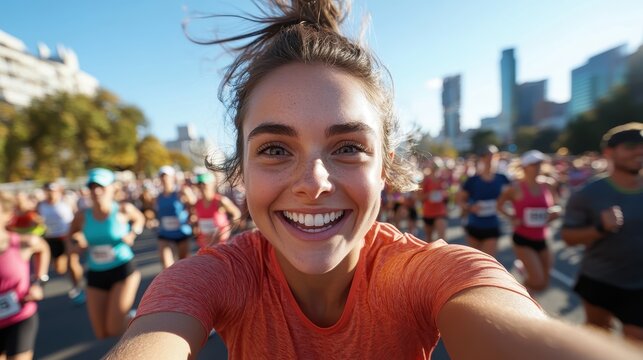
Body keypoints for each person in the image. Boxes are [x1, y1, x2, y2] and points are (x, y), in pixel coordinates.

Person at [106, 2, 643, 358]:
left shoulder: (435, 273)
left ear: (384, 168)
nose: (313, 181)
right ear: (239, 172)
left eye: (347, 148)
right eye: (274, 149)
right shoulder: (206, 278)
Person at [561, 122, 643, 341]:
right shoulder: (588, 194)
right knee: (598, 335)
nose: (639, 151)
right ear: (609, 152)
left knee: (636, 338)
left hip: (639, 282)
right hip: (599, 278)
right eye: (630, 146)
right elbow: (568, 237)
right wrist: (600, 228)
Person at [68, 168, 145, 339]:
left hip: (123, 270)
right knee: (101, 333)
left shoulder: (123, 209)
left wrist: (133, 233)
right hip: (95, 273)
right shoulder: (82, 216)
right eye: (92, 186)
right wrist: (76, 243)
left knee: (114, 328)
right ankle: (130, 317)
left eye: (101, 186)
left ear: (112, 188)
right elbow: (71, 236)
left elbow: (140, 219)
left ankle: (142, 322)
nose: (96, 191)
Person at [497, 150, 561, 293]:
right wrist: (512, 217)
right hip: (523, 238)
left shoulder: (548, 184)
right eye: (533, 164)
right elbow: (499, 205)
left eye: (539, 163)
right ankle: (520, 302)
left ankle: (528, 301)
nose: (537, 167)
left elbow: (557, 205)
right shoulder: (515, 188)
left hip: (543, 237)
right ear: (524, 167)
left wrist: (555, 212)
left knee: (544, 282)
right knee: (536, 279)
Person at [0, 191, 51, 360]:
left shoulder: (23, 243)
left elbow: (43, 249)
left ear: (8, 215)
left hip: (19, 317)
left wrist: (39, 282)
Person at [456, 145, 510, 257]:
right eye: (487, 155)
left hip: (492, 225)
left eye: (493, 156)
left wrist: (510, 214)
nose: (490, 159)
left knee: (488, 260)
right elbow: (460, 201)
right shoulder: (472, 180)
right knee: (475, 262)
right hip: (474, 225)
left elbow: (514, 197)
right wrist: (470, 207)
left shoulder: (502, 179)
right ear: (481, 158)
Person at [37, 182, 85, 304]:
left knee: (73, 263)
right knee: (60, 269)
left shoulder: (67, 202)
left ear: (58, 191)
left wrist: (79, 233)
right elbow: (36, 219)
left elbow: (77, 217)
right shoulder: (40, 205)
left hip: (67, 237)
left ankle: (78, 287)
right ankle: (75, 282)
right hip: (51, 238)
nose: (51, 193)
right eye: (48, 191)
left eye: (53, 191)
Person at [155, 165, 196, 269]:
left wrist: (192, 215)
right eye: (162, 176)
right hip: (165, 234)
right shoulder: (157, 196)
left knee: (183, 265)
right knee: (167, 267)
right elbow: (154, 212)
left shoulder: (181, 192)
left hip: (181, 232)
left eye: (167, 176)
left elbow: (194, 204)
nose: (164, 179)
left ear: (173, 177)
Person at [192, 172, 242, 248]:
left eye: (204, 184)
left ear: (212, 185)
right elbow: (198, 220)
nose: (201, 187)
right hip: (204, 243)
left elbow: (237, 214)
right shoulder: (197, 203)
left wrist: (225, 231)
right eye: (199, 184)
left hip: (220, 244)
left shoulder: (220, 201)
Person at [420, 158, 449, 242]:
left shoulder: (443, 181)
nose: (435, 169)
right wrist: (429, 194)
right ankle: (431, 255)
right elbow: (419, 197)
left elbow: (447, 196)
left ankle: (443, 254)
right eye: (434, 167)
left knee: (442, 238)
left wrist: (444, 194)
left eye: (437, 167)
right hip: (428, 212)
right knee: (429, 239)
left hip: (440, 212)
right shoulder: (425, 181)